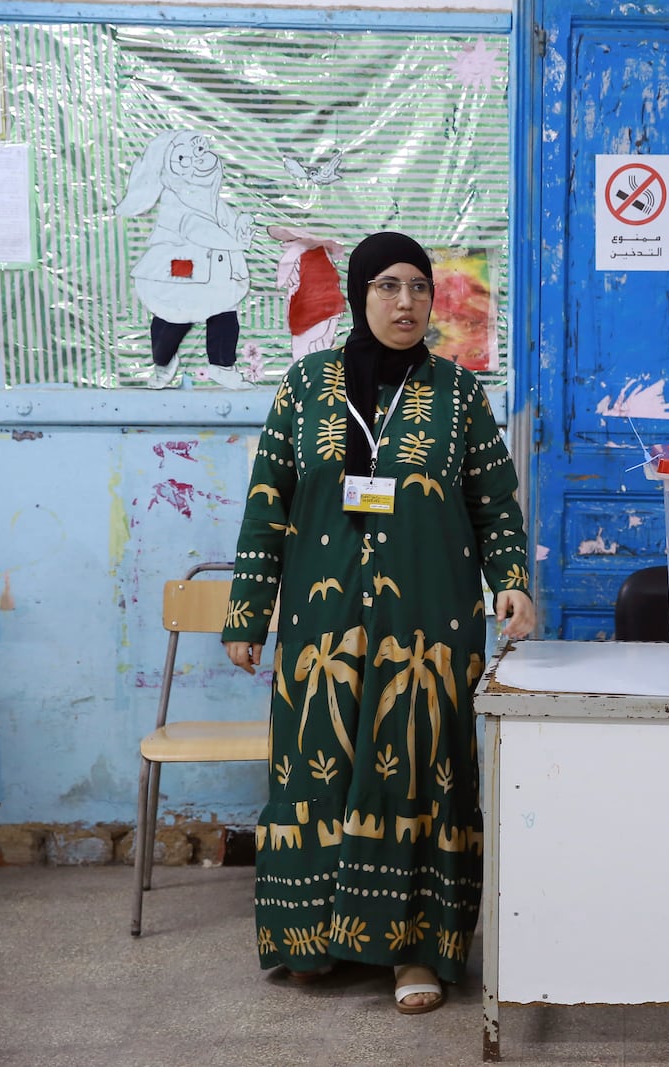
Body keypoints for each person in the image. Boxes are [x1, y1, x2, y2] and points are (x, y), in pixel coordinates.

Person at [221, 231, 534, 1015]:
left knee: (416, 771)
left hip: (427, 624)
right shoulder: (303, 387)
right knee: (315, 769)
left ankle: (413, 953)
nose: (406, 303)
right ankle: (315, 941)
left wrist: (514, 584)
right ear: (361, 294)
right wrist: (248, 613)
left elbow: (495, 504)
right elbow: (267, 506)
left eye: (420, 288)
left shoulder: (459, 396)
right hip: (322, 626)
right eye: (389, 286)